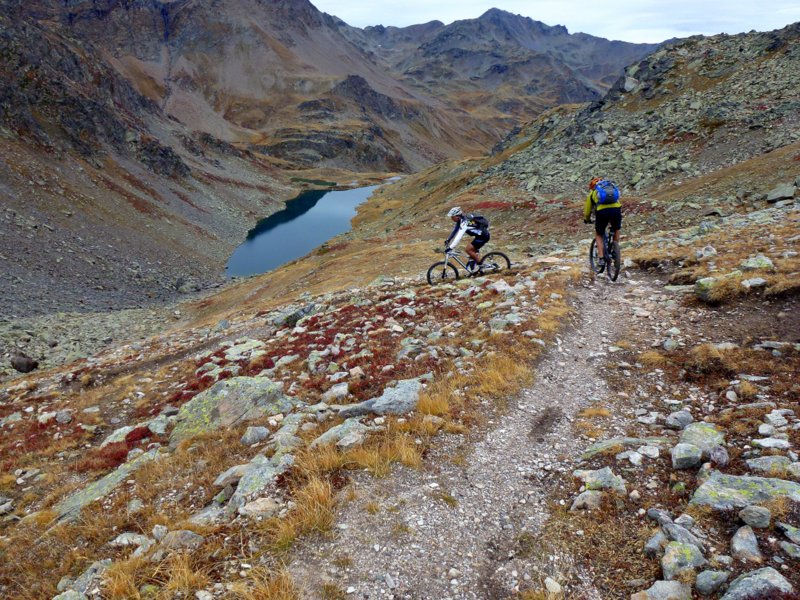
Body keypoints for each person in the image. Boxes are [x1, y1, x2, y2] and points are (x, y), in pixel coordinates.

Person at [583, 177, 622, 268]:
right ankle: (615, 250)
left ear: (593, 186)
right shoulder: (611, 188)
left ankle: (601, 258)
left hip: (602, 212)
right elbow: (617, 200)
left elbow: (588, 210)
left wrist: (587, 219)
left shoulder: (593, 192)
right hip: (616, 210)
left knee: (599, 234)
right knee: (616, 228)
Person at [444, 207, 490, 273]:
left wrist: (450, 247)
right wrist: (448, 239)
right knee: (471, 254)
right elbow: (455, 231)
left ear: (457, 216)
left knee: (468, 249)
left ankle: (481, 265)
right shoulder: (460, 220)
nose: (451, 218)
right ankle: (476, 269)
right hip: (479, 236)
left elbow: (458, 237)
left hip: (483, 236)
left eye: (452, 217)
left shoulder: (464, 223)